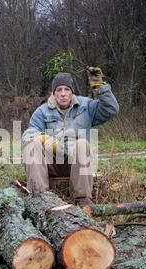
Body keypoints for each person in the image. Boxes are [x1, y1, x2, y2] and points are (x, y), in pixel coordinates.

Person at [22, 67, 119, 206]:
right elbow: (28, 134)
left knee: (82, 144)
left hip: (76, 164)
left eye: (66, 89)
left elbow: (111, 109)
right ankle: (39, 199)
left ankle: (83, 200)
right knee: (32, 144)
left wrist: (99, 87)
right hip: (51, 164)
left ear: (72, 92)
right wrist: (43, 138)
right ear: (53, 93)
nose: (63, 94)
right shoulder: (42, 111)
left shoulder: (86, 106)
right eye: (59, 90)